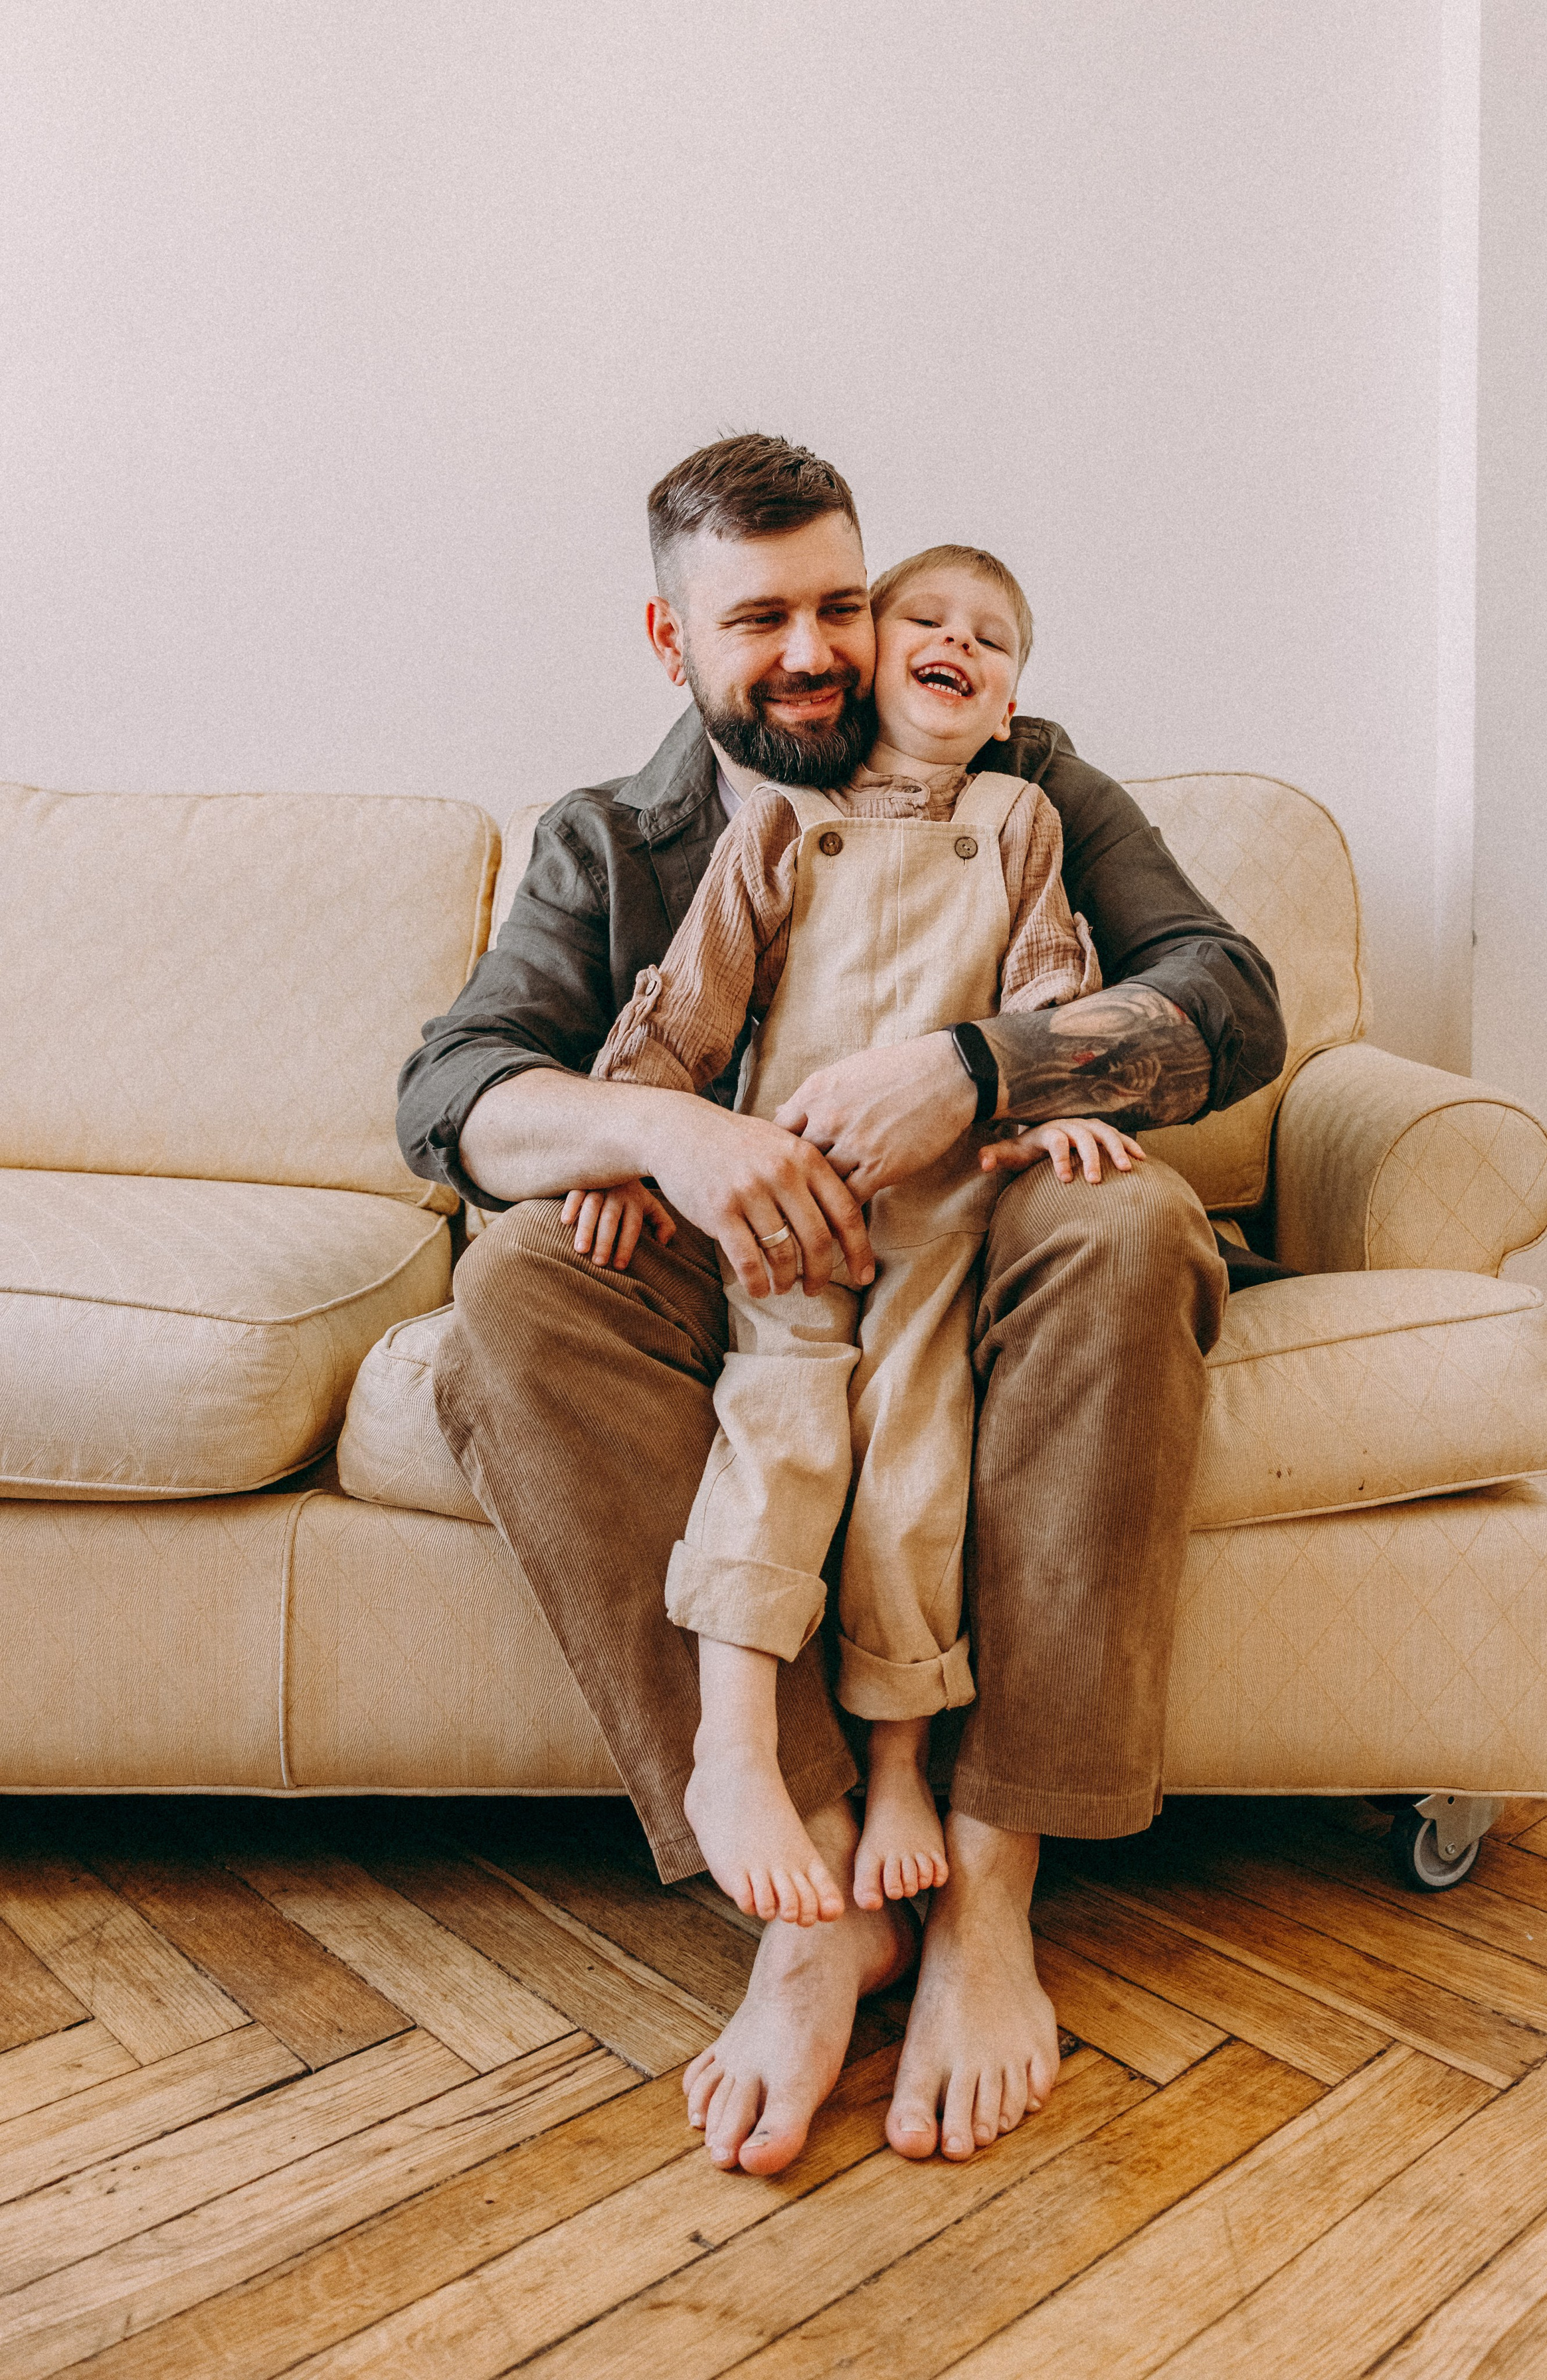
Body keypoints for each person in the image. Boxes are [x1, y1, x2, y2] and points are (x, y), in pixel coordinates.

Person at [397, 432, 1286, 2176]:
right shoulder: (623, 837)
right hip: (731, 1276)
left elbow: (1228, 1004)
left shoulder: (1027, 786)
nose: (812, 651)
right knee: (514, 1293)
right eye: (757, 621)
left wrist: (982, 1072)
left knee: (1135, 1234)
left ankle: (983, 1894)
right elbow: (455, 1092)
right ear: (673, 646)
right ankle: (813, 1909)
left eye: (839, 604)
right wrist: (675, 1135)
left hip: (989, 1230)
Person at [576, 543, 1142, 1930]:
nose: (958, 641)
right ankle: (733, 1746)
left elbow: (1047, 983)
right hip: (784, 1205)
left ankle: (898, 1767)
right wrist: (628, 1130)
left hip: (944, 1213)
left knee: (912, 1452)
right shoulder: (776, 821)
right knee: (777, 1430)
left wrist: (1055, 1103)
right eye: (926, 622)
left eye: (991, 637)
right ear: (867, 663)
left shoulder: (1018, 820)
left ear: (1006, 701)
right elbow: (688, 999)